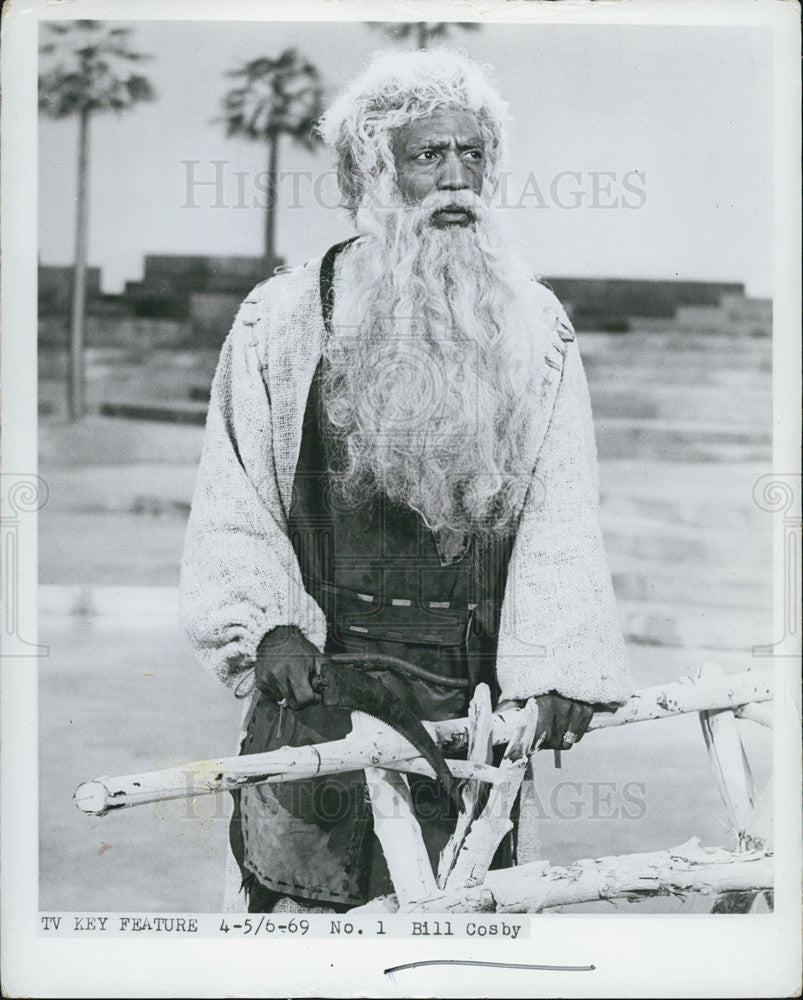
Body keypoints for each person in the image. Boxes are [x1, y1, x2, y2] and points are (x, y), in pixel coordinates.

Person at [180, 48, 632, 913]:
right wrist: (266, 628)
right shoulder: (280, 320)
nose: (456, 179)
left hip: (473, 695)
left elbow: (560, 504)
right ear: (372, 171)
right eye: (429, 156)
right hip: (320, 680)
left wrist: (561, 663)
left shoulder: (534, 324)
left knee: (461, 919)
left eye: (473, 155)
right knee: (303, 911)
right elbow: (232, 492)